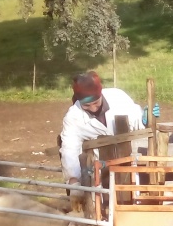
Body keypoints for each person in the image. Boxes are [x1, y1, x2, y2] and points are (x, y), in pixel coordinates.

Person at [59, 70, 157, 208]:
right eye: (87, 106)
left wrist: (145, 118)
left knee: (132, 200)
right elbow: (69, 150)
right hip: (100, 167)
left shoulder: (118, 97)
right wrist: (74, 181)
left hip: (126, 160)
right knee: (104, 206)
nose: (93, 109)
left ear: (101, 93)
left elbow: (136, 121)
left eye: (96, 103)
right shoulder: (73, 117)